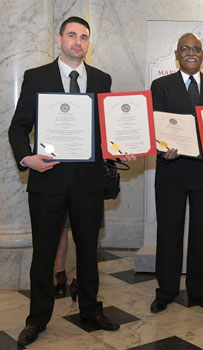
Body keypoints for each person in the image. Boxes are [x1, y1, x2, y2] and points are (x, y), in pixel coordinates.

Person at [8, 16, 125, 347]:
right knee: (43, 254)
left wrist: (121, 149)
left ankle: (90, 311)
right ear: (59, 39)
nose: (78, 41)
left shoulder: (102, 79)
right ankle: (37, 319)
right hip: (48, 179)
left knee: (89, 251)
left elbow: (106, 129)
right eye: (72, 35)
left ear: (89, 42)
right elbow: (18, 126)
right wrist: (26, 157)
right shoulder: (37, 76)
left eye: (84, 37)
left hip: (88, 180)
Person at [149, 33, 203, 313]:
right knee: (169, 232)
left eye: (196, 49)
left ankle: (198, 290)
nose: (191, 53)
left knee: (202, 232)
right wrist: (163, 149)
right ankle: (166, 290)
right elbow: (156, 124)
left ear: (202, 54)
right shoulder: (161, 85)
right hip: (171, 169)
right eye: (185, 48)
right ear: (177, 53)